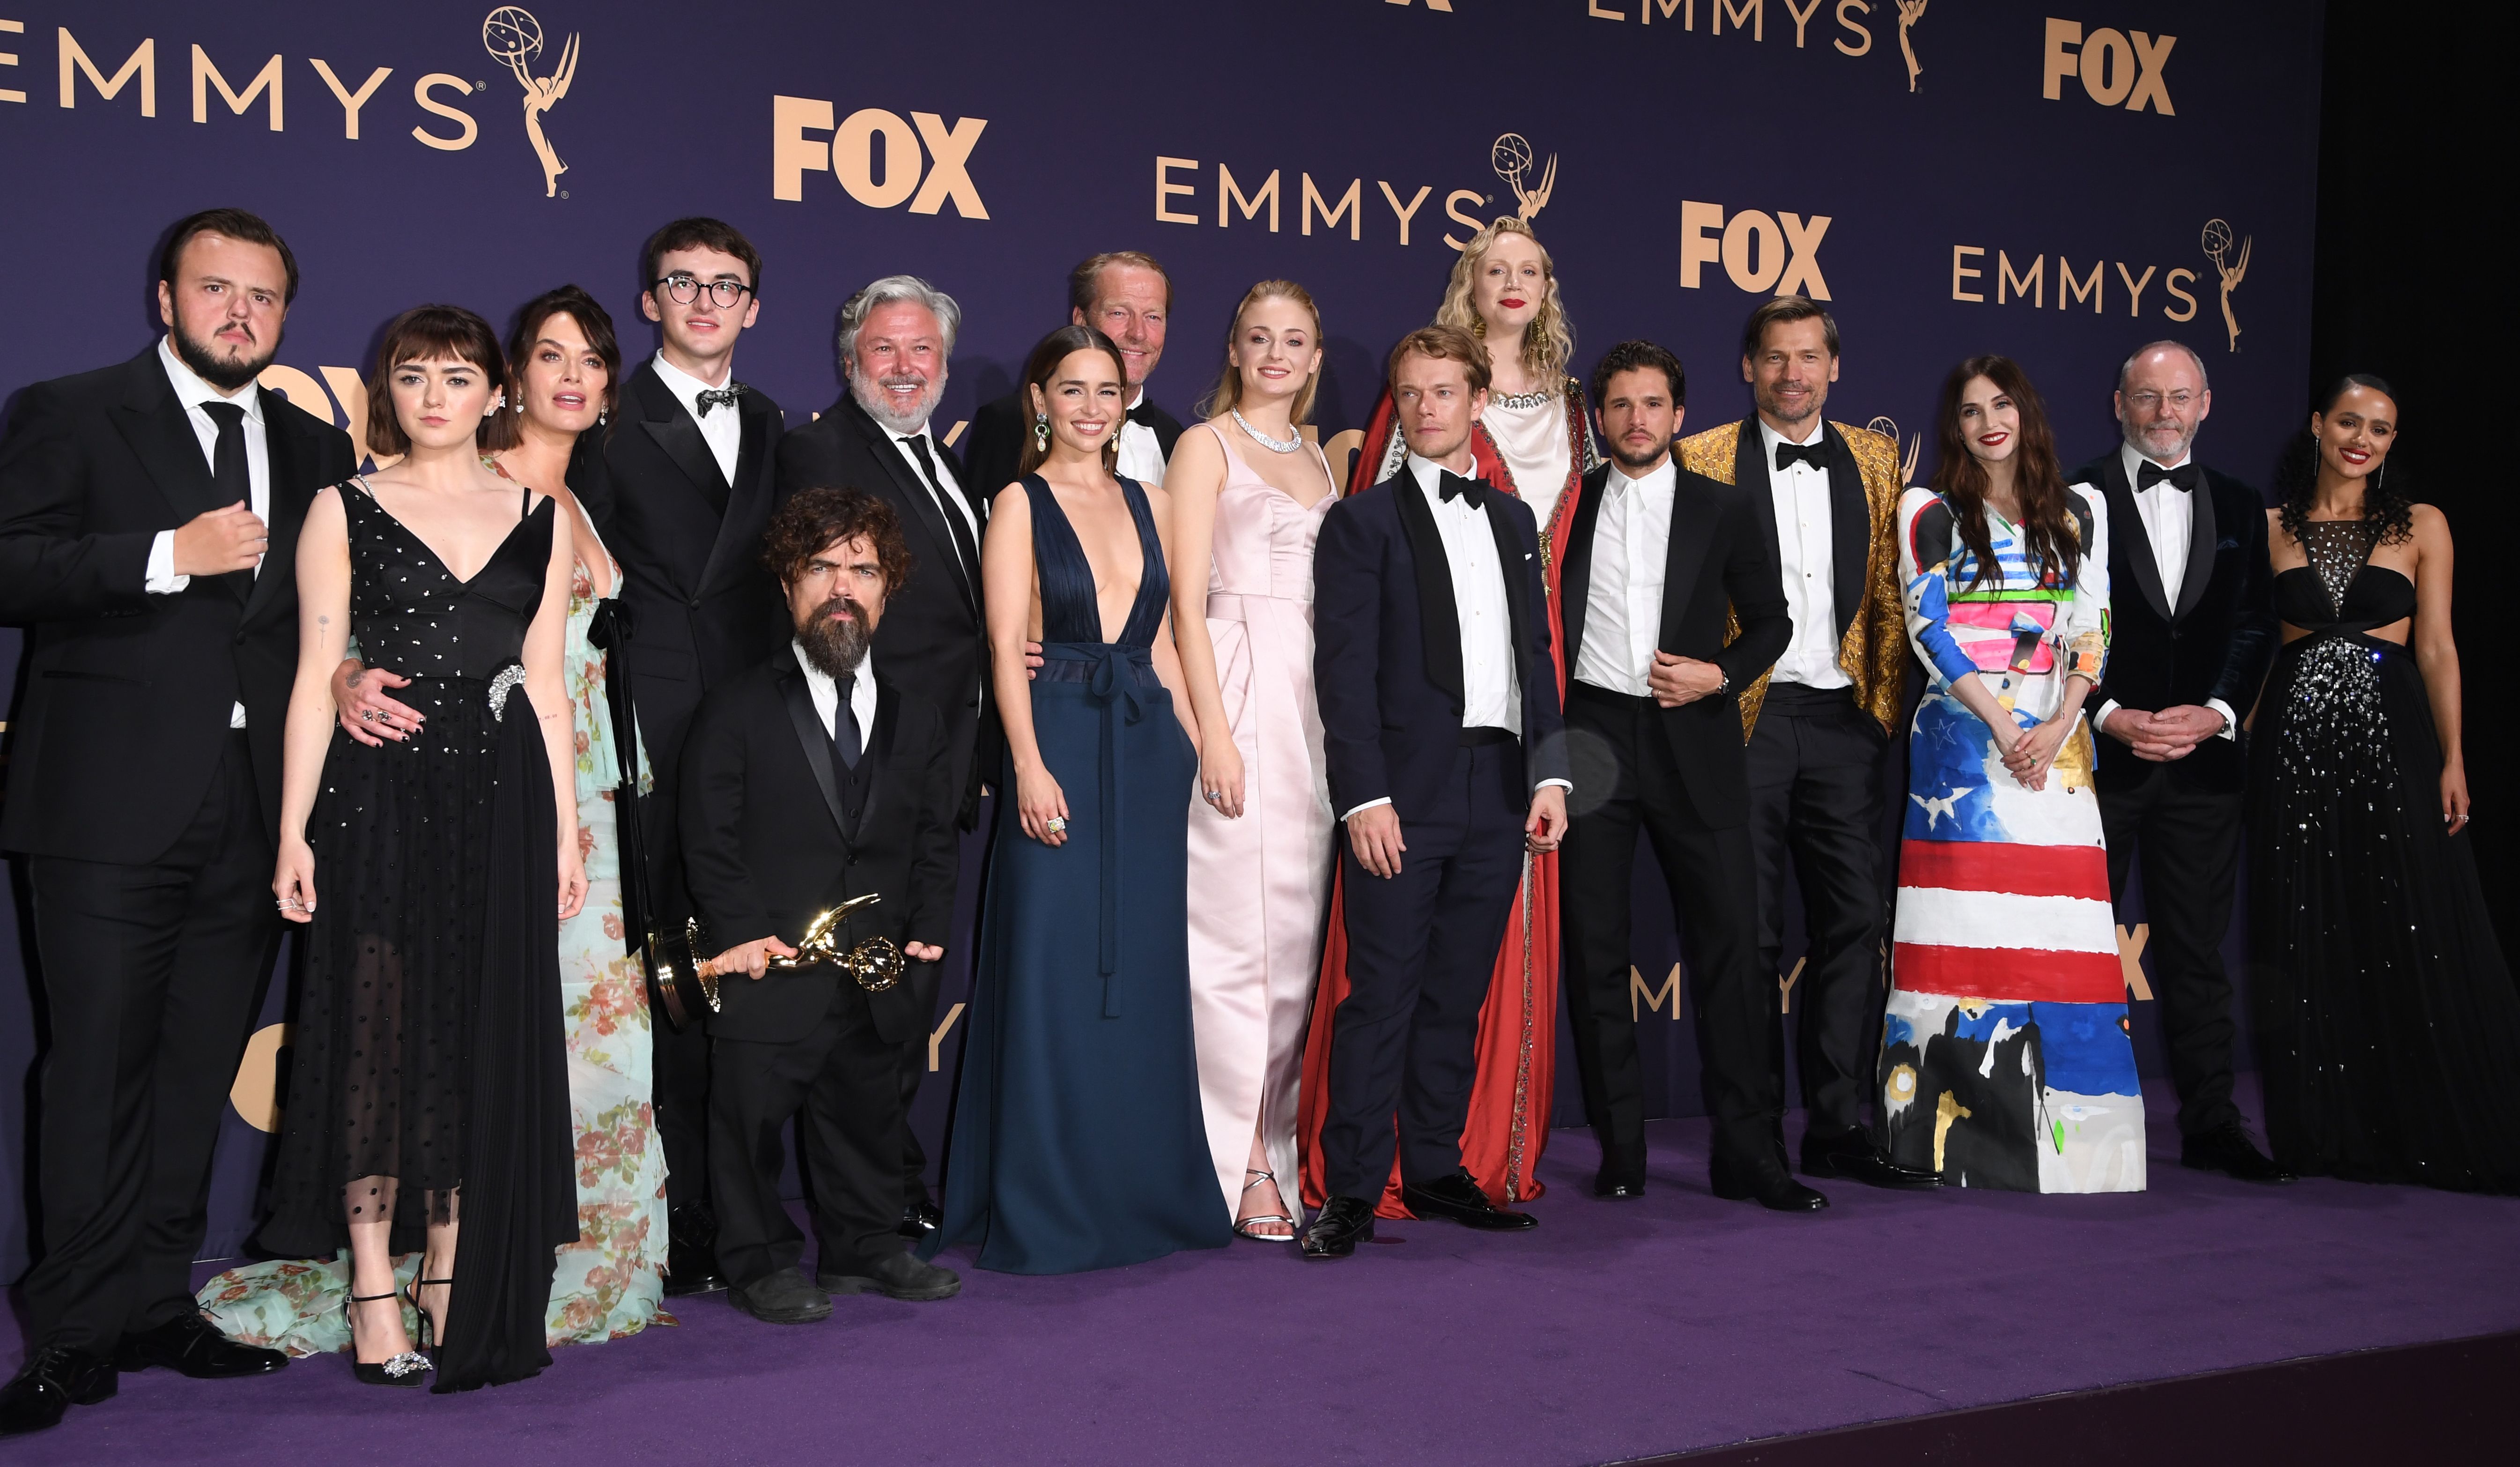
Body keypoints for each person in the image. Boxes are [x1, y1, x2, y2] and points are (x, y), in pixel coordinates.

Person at [0, 209, 351, 1438]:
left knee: (197, 1070)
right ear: (166, 298)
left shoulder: (316, 444)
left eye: (262, 297)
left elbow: (320, 619)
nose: (239, 314)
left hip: (253, 818)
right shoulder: (71, 408)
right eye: (217, 289)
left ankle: (157, 1299)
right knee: (94, 1070)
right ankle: (74, 1327)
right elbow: (9, 563)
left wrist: (349, 675)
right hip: (103, 804)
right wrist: (164, 553)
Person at [281, 287, 666, 1344]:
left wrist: (560, 841)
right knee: (375, 1034)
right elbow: (317, 676)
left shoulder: (536, 518)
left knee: (469, 1036)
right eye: (412, 377)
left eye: (456, 377)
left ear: (493, 392)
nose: (434, 396)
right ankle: (370, 1286)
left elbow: (546, 688)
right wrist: (292, 832)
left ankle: (450, 1270)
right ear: (387, 392)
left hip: (500, 802)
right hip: (378, 798)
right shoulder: (342, 506)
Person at [1304, 217, 1595, 1215]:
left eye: (1445, 392)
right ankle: (1348, 1190)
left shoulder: (1513, 521)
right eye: (1412, 395)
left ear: (1478, 402)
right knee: (1377, 997)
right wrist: (1362, 799)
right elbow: (1339, 676)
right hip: (1402, 791)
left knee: (1453, 996)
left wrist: (1551, 773)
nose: (1427, 409)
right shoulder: (1359, 522)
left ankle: (1433, 1167)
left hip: (1497, 790)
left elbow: (1535, 656)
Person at [928, 324, 1227, 1274]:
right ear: (1039, 400)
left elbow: (1172, 640)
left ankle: (1143, 1189)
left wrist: (1200, 742)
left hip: (1144, 749)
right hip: (1054, 736)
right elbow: (1002, 644)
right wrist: (1024, 761)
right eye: (1072, 389)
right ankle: (1045, 1199)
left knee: (1138, 976)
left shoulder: (1153, 500)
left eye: (1107, 390)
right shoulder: (1016, 502)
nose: (1091, 406)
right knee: (1050, 970)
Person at [680, 489, 967, 1320]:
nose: (843, 585)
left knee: (870, 1115)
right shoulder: (737, 705)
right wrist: (739, 935)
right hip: (770, 965)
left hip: (878, 971)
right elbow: (709, 833)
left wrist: (928, 934)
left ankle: (867, 1246)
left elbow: (932, 837)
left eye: (863, 568)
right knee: (748, 1125)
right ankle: (760, 1260)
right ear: (788, 585)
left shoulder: (919, 715)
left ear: (886, 590)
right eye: (822, 566)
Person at [571, 218, 790, 1293]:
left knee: (740, 967)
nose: (705, 301)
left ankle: (739, 1214)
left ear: (753, 307)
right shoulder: (604, 423)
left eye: (726, 286)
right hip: (646, 727)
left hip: (753, 727)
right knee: (657, 978)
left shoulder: (773, 421)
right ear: (649, 300)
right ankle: (664, 1221)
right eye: (682, 283)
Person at [1678, 297, 1934, 1201]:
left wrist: (1878, 716)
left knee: (1854, 926)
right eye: (1775, 357)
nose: (1793, 373)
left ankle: (1836, 1125)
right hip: (1738, 723)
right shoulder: (1698, 455)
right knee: (1744, 934)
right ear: (1748, 367)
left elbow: (1893, 596)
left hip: (1841, 722)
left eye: (1809, 357)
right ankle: (1745, 1142)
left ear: (1835, 368)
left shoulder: (1873, 457)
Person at [2249, 376, 2520, 1193]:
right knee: (2305, 930)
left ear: (2393, 442)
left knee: (2409, 923)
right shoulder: (2268, 528)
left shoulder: (2421, 525)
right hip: (2292, 747)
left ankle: (2426, 1128)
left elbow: (2436, 647)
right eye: (2348, 421)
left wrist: (2454, 756)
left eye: (2380, 428)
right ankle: (2323, 1131)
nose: (2361, 438)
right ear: (2317, 425)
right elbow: (2262, 649)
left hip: (2396, 740)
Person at [1879, 357, 2136, 1192]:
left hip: (2058, 750)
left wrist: (2060, 720)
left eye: (2001, 405)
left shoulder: (2081, 511)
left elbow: (2092, 624)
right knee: (1961, 935)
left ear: (2026, 413)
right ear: (1953, 428)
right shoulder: (1928, 512)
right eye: (1969, 411)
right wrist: (2000, 722)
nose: (1988, 421)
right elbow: (1930, 630)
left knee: (2062, 937)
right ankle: (1949, 1141)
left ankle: (2077, 1152)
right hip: (1963, 743)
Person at [1556, 341, 1794, 1205]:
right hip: (1590, 740)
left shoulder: (1722, 509)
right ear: (1599, 418)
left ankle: (1749, 1153)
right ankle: (1622, 1152)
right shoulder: (1566, 507)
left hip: (1695, 735)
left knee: (1733, 951)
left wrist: (1719, 675)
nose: (1636, 420)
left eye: (1652, 404)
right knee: (1595, 952)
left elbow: (1773, 624)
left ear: (1679, 415)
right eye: (1619, 405)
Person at [774, 274, 986, 1240]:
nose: (904, 369)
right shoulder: (821, 451)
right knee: (864, 1002)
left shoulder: (946, 462)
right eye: (883, 352)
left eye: (921, 354)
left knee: (904, 996)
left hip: (938, 763)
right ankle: (865, 1206)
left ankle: (887, 1182)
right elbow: (826, 617)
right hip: (869, 765)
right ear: (849, 360)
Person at [2070, 341, 2285, 1183]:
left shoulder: (2239, 502)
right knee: (2083, 953)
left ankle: (2212, 1124)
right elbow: (2055, 624)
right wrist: (2109, 712)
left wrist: (2218, 713)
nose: (2165, 413)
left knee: (2197, 955)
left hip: (2202, 769)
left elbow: (2254, 626)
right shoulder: (2076, 495)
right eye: (2149, 397)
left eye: (2180, 397)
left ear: (2206, 405)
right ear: (2118, 401)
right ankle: (2078, 1123)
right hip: (2097, 763)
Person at [1163, 282, 1339, 1240]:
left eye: (1295, 340)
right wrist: (1214, 729)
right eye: (1259, 337)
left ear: (1314, 359)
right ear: (1232, 346)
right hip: (1235, 687)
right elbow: (1183, 602)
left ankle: (1276, 1142)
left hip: (1313, 705)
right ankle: (1231, 1160)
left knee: (1297, 948)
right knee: (1233, 945)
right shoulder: (1204, 446)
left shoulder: (1320, 457)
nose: (1276, 353)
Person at [964, 252, 1183, 495]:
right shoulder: (1007, 424)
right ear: (1081, 319)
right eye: (1119, 313)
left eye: (1153, 317)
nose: (1138, 334)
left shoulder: (1177, 438)